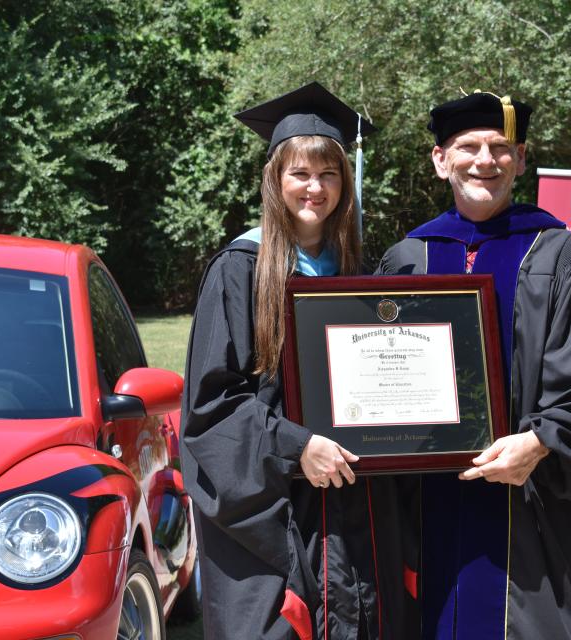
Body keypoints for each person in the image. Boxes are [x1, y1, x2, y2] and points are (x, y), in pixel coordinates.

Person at [377, 91, 571, 639]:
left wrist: (541, 442)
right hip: (425, 514)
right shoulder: (406, 259)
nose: (485, 160)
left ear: (520, 160)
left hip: (530, 510)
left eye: (500, 147)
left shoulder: (567, 257)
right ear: (440, 160)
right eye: (468, 146)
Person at [181, 82, 418, 640]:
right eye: (300, 174)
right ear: (275, 180)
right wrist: (297, 447)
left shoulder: (360, 275)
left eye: (329, 174)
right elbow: (211, 408)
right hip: (275, 514)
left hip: (353, 509)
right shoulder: (240, 269)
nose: (316, 188)